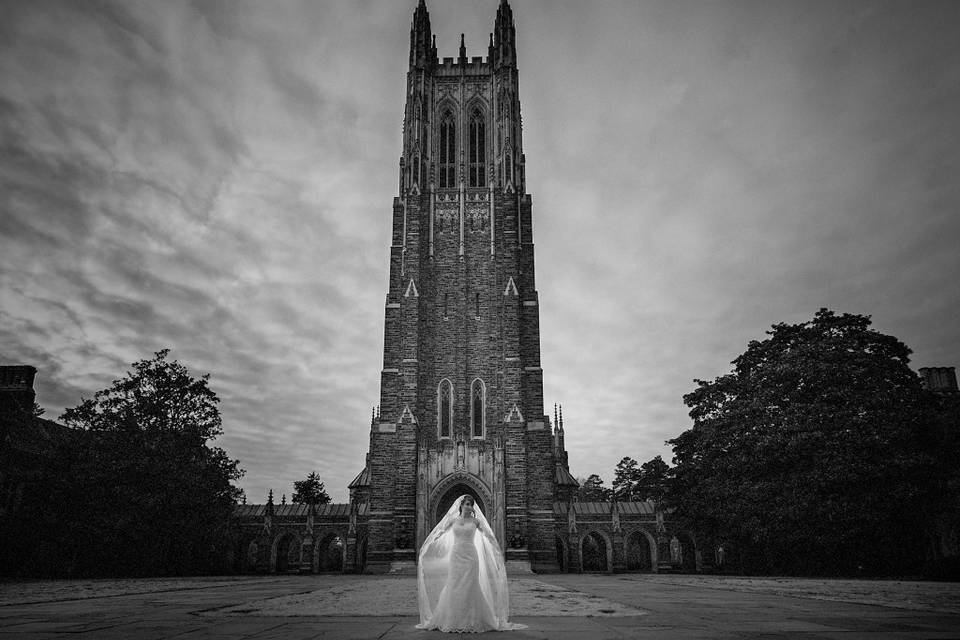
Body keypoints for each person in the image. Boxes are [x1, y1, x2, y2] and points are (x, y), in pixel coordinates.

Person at [416, 495, 526, 632]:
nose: (469, 507)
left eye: (471, 504)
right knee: (454, 584)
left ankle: (473, 619)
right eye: (467, 504)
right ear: (461, 505)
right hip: (456, 556)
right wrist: (427, 545)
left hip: (471, 557)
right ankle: (452, 618)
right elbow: (439, 532)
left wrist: (496, 549)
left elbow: (488, 536)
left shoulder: (476, 522)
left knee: (470, 584)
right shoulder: (452, 520)